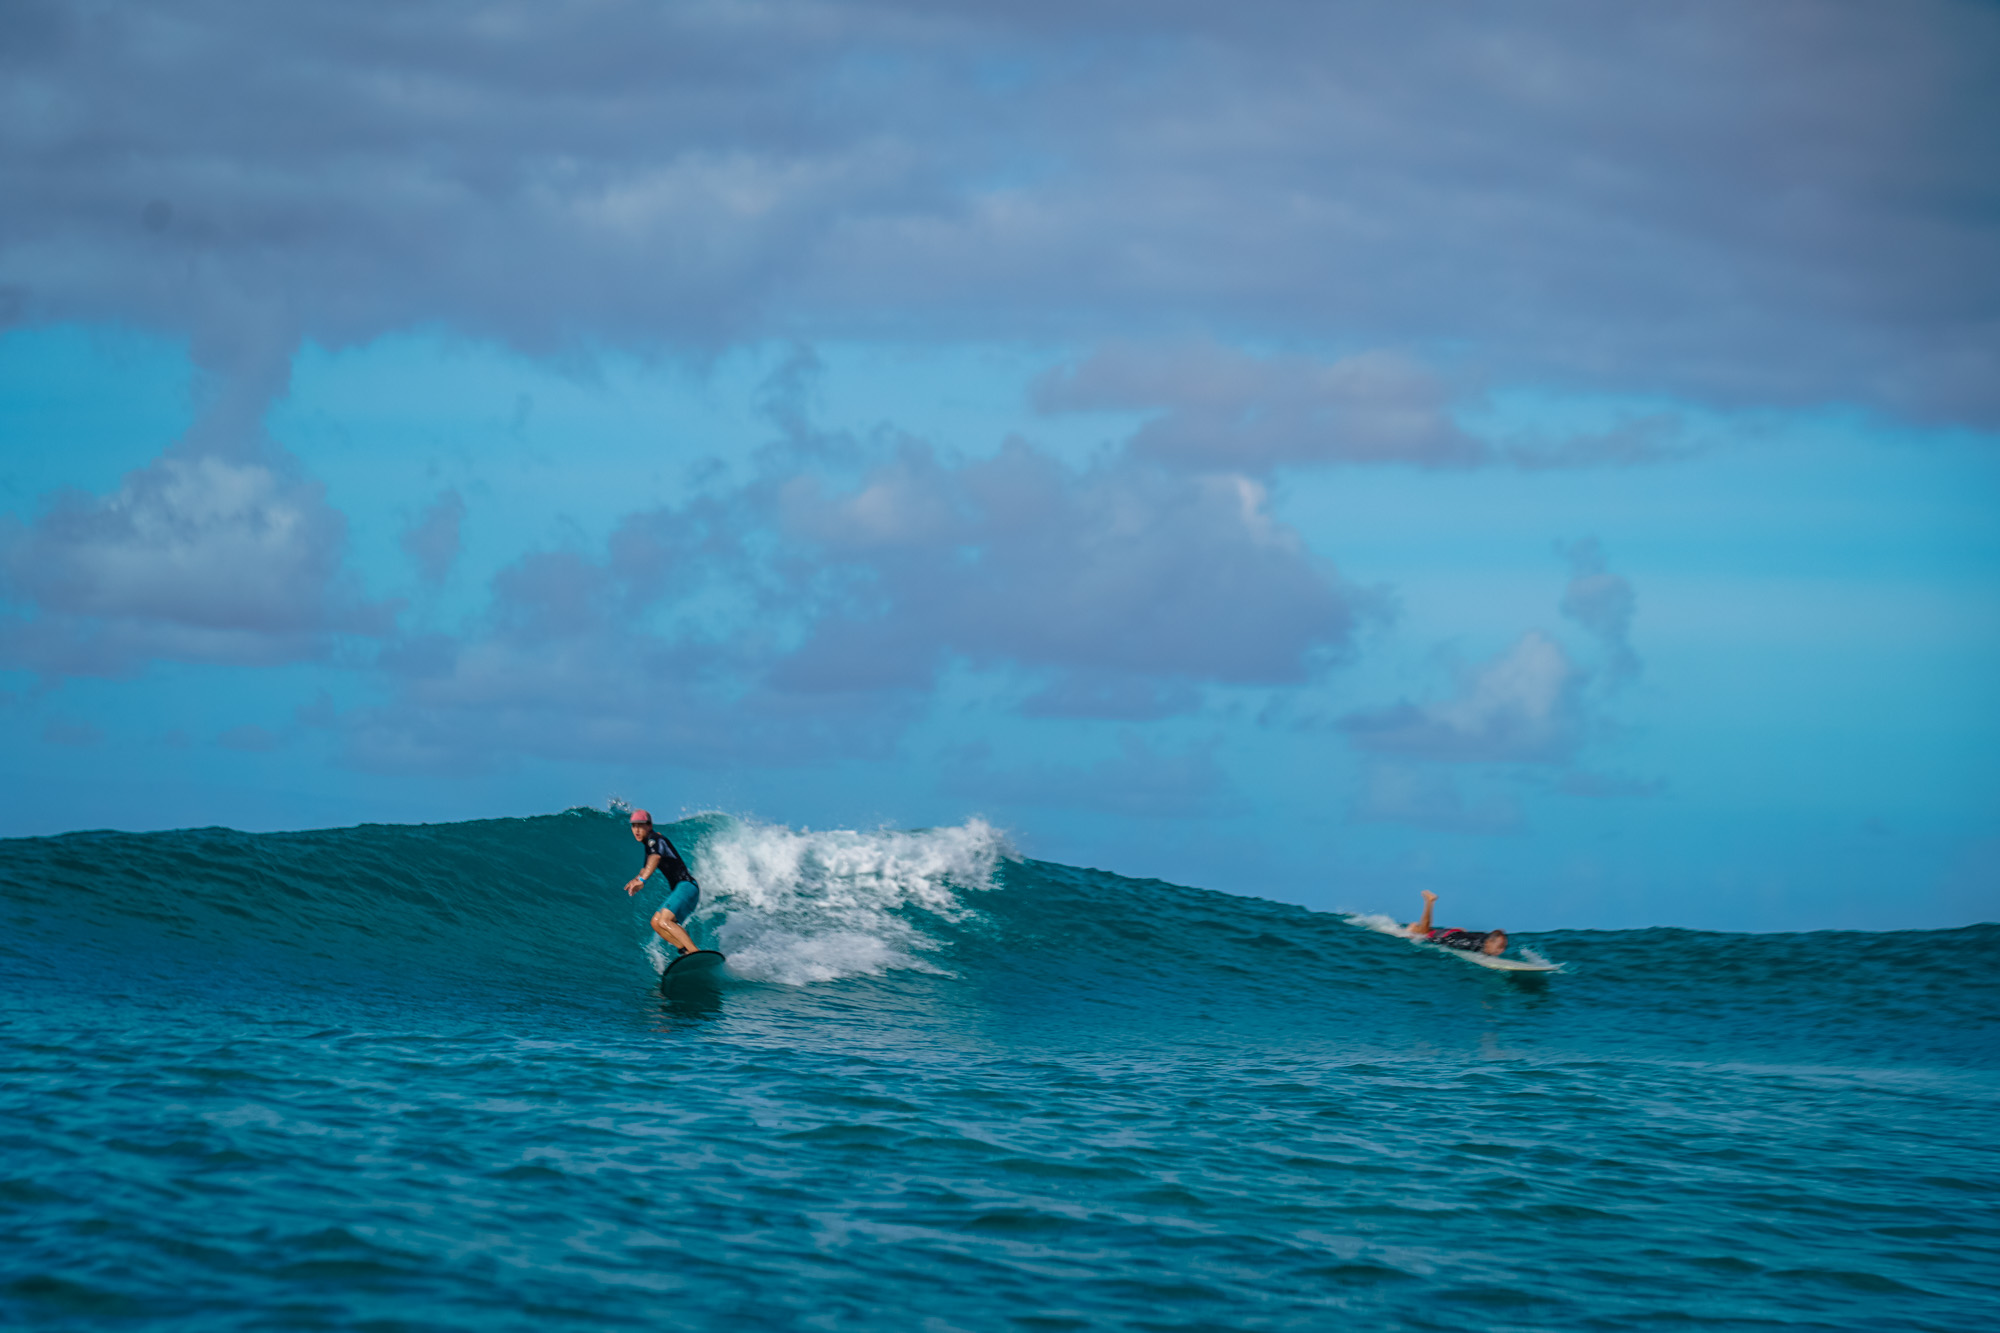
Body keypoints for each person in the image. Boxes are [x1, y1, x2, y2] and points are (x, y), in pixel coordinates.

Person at [624, 809, 702, 956]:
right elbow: (646, 867)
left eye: (640, 826)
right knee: (656, 922)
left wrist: (642, 881)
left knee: (665, 920)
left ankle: (694, 951)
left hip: (687, 886)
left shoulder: (655, 840)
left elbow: (655, 859)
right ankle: (685, 951)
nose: (637, 830)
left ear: (649, 826)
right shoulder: (649, 845)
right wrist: (636, 879)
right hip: (682, 888)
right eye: (634, 826)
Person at [1404, 890, 1509, 957]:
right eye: (1499, 947)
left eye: (1503, 947)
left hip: (1457, 933)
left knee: (1425, 932)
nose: (1502, 951)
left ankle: (1425, 909)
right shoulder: (1465, 943)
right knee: (1424, 934)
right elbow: (1443, 940)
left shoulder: (1486, 940)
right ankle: (1429, 902)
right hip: (1452, 935)